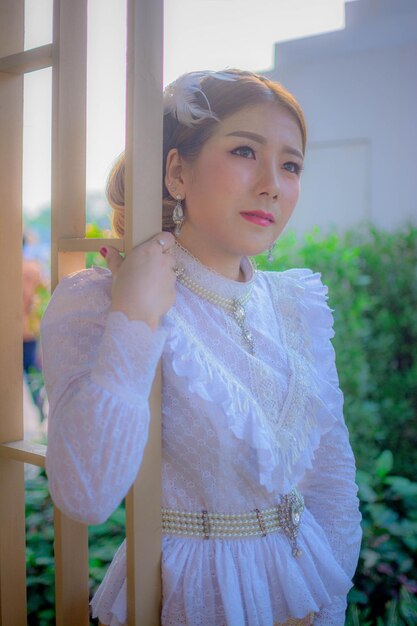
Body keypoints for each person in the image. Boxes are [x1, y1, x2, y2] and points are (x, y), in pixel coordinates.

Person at [41, 69, 362, 626]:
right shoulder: (103, 300)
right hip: (186, 600)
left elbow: (331, 481)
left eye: (291, 165)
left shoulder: (295, 306)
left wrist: (325, 603)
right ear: (176, 171)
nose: (272, 184)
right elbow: (86, 494)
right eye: (245, 151)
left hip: (306, 596)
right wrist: (136, 318)